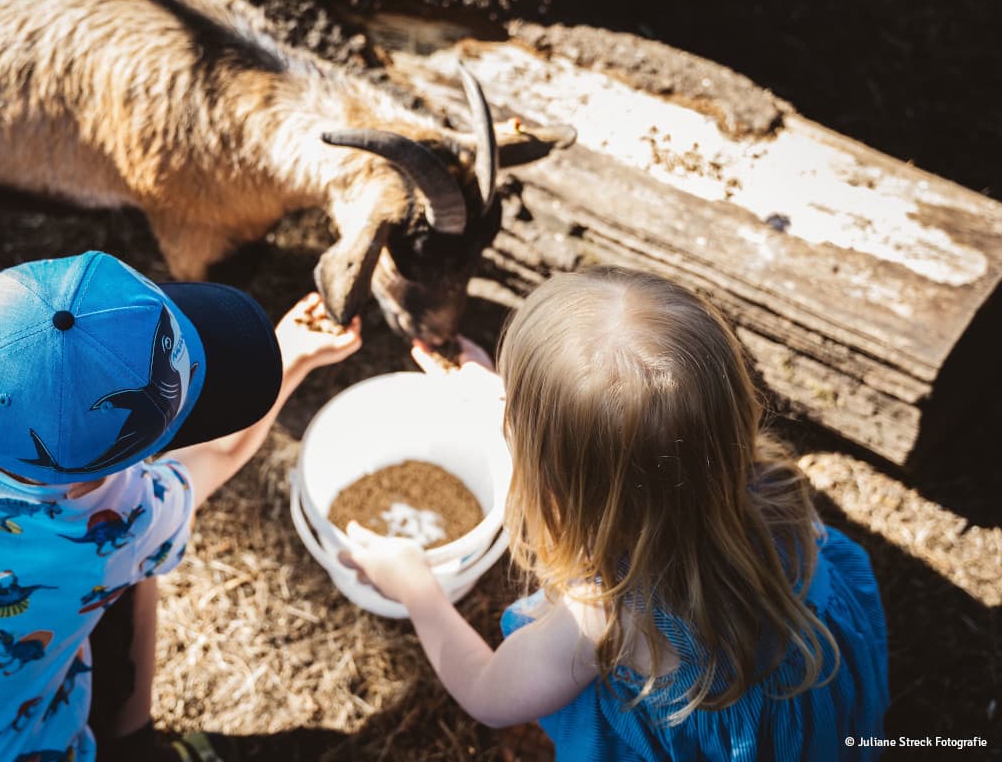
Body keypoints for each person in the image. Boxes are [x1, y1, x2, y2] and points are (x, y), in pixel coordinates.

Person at [0, 250, 361, 762]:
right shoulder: (118, 521)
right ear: (94, 477)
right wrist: (294, 357)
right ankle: (136, 744)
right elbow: (222, 455)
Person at [340, 266, 889, 760]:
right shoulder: (773, 489)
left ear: (554, 484)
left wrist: (417, 590)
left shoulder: (602, 620)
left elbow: (488, 694)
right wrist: (510, 405)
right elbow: (632, 448)